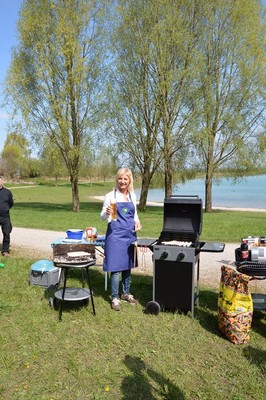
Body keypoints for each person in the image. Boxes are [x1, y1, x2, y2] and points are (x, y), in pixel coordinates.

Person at [100, 168, 142, 311]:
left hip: (129, 235)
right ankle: (114, 297)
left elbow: (134, 214)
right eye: (120, 178)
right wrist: (106, 213)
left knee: (127, 266)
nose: (122, 181)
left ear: (129, 180)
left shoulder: (132, 196)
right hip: (115, 235)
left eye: (125, 179)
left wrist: (138, 222)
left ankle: (125, 293)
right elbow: (102, 217)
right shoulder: (110, 196)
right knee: (116, 268)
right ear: (117, 180)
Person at [0, 176, 14, 256]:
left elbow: (11, 203)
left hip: (5, 217)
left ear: (2, 182)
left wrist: (5, 209)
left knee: (6, 233)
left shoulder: (7, 192)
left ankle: (5, 251)